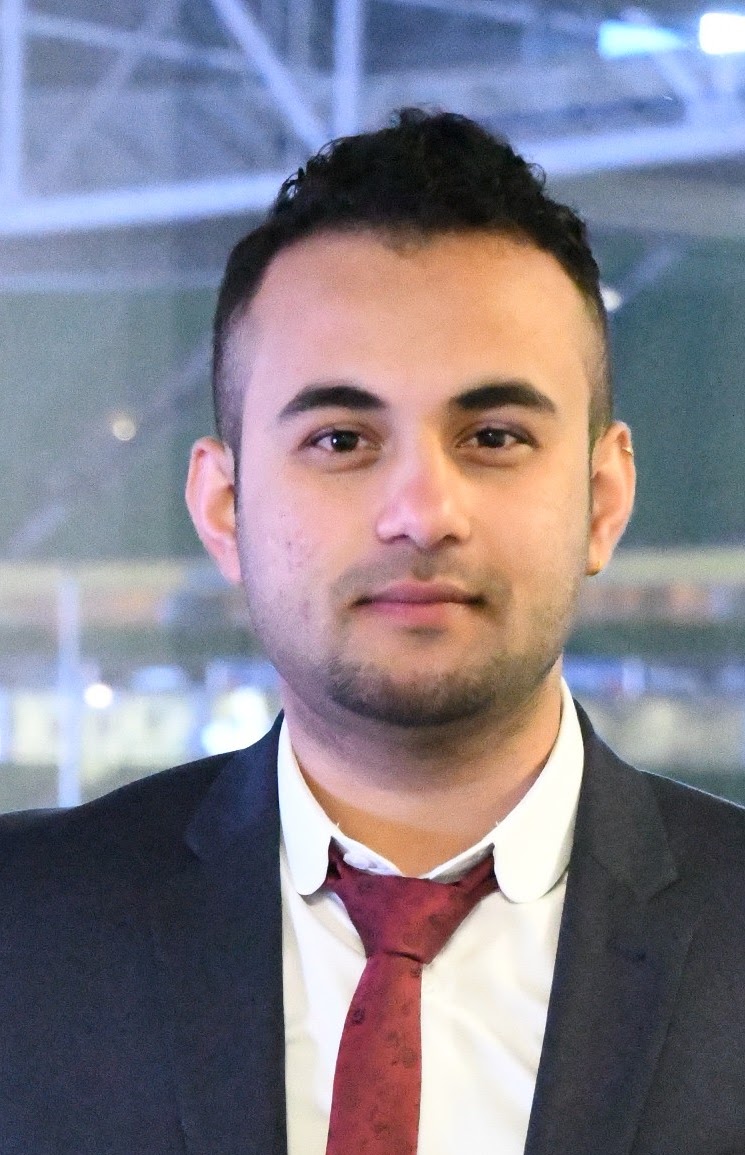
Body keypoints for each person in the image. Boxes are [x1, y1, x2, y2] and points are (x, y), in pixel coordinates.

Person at [2, 110, 744, 1155]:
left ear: (604, 496)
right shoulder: (25, 935)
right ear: (224, 506)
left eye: (493, 436)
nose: (422, 512)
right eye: (341, 438)